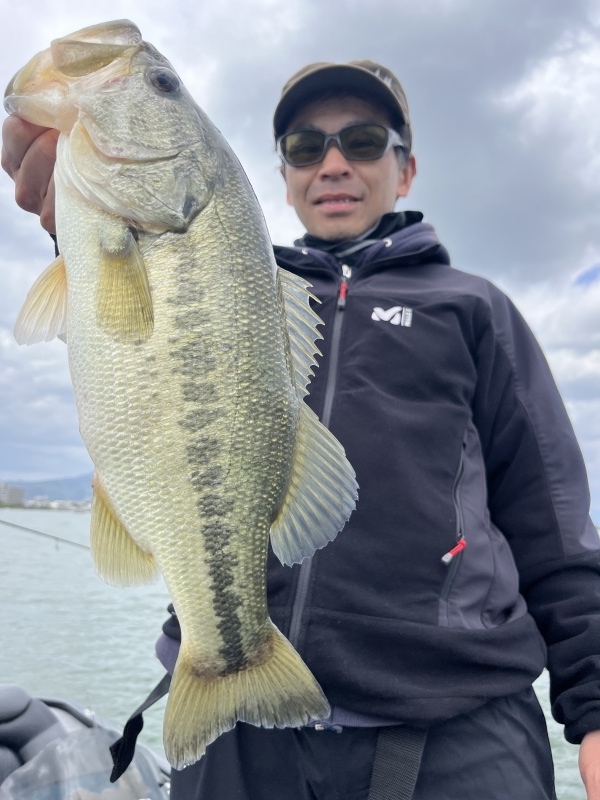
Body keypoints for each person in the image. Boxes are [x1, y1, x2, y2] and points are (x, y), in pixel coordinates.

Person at [4, 59, 600, 800]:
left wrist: (595, 704)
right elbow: (128, 340)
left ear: (407, 170)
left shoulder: (473, 308)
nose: (334, 164)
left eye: (363, 140)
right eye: (305, 147)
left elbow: (553, 523)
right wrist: (80, 231)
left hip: (456, 726)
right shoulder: (234, 277)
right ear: (283, 176)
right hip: (235, 725)